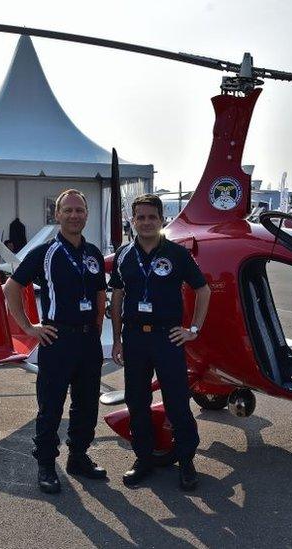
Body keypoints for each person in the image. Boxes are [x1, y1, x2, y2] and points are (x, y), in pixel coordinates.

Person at [3, 189, 108, 494]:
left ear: (86, 215)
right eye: (69, 211)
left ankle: (79, 456)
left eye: (80, 211)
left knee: (87, 404)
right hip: (56, 339)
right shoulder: (44, 253)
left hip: (88, 341)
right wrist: (29, 327)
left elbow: (101, 294)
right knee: (51, 407)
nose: (75, 216)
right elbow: (11, 288)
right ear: (58, 215)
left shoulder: (93, 254)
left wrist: (98, 326)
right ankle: (47, 465)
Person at [110, 194, 211, 491]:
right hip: (135, 338)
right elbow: (117, 298)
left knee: (177, 400)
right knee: (137, 401)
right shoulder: (124, 255)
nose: (146, 222)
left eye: (151, 217)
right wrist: (116, 339)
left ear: (162, 219)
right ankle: (143, 458)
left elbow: (203, 290)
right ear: (133, 220)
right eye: (140, 217)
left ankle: (187, 460)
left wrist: (193, 328)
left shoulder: (178, 254)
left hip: (167, 337)